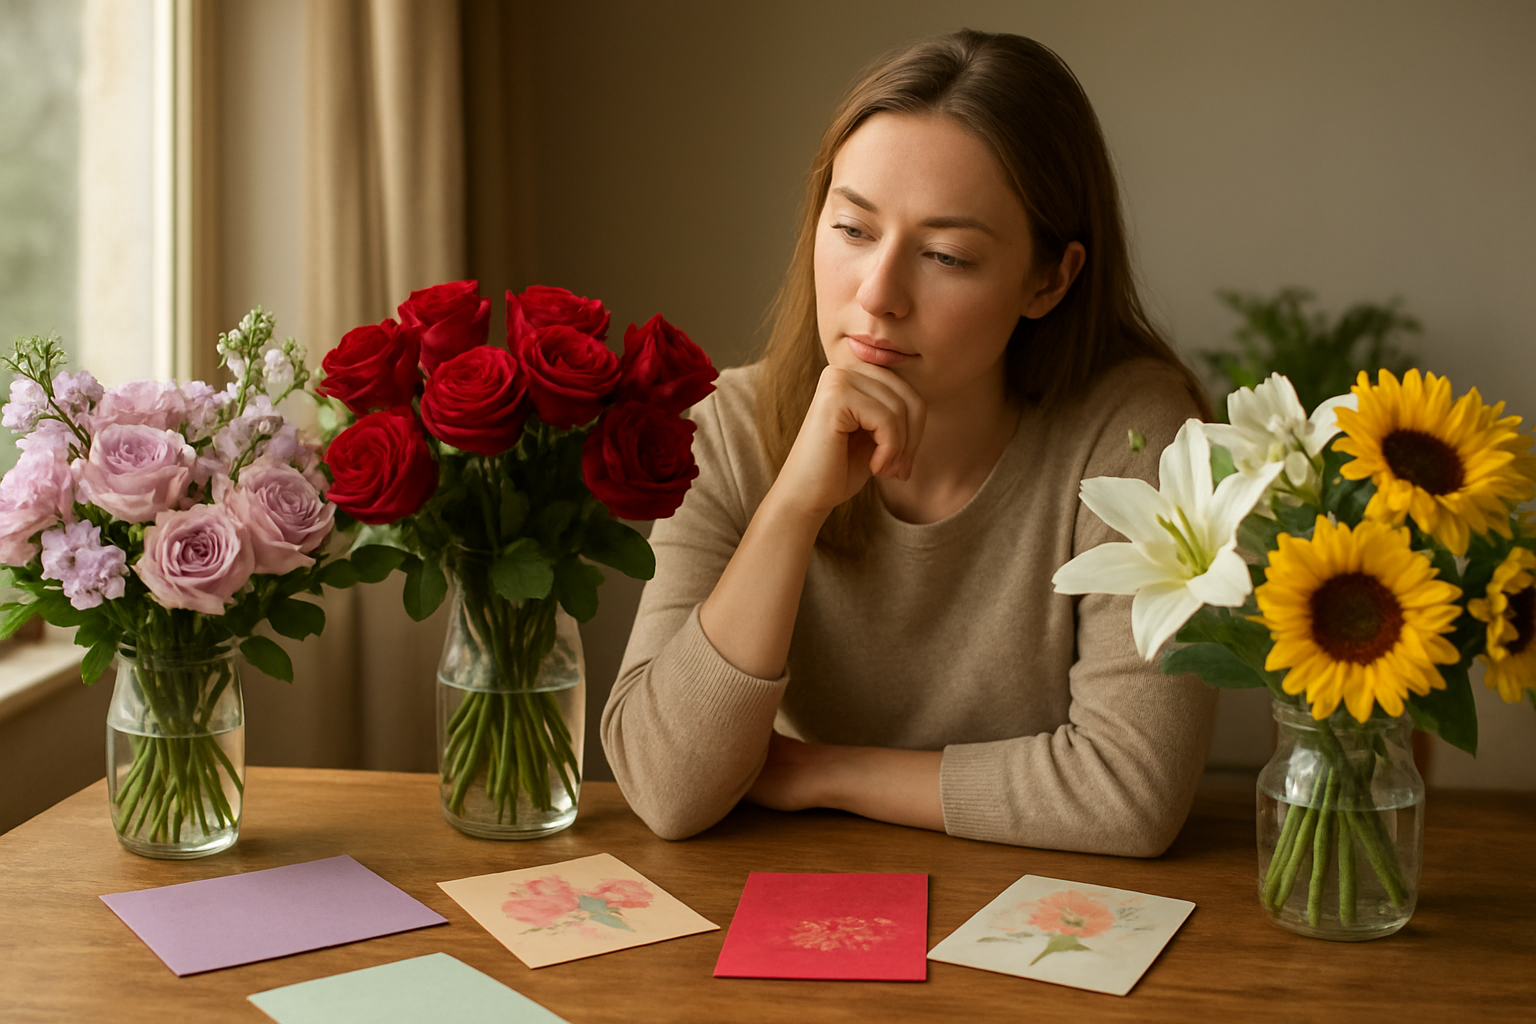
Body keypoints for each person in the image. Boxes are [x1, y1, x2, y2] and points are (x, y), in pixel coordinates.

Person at [600, 30, 1217, 857]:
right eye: (854, 230)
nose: (879, 294)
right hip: (789, 923)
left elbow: (1129, 794)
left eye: (945, 255)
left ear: (1050, 279)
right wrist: (792, 506)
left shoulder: (1137, 434)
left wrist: (825, 775)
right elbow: (665, 788)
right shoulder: (728, 427)